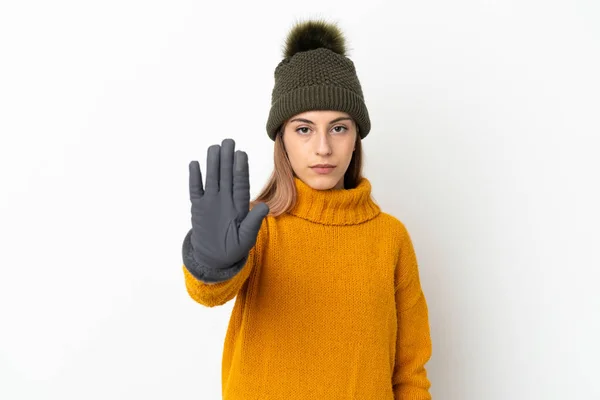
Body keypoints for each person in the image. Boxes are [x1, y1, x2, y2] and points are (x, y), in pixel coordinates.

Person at [181, 19, 432, 400]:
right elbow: (208, 295)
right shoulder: (257, 226)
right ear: (281, 137)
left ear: (356, 137)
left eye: (338, 128)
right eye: (303, 129)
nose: (322, 148)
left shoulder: (390, 238)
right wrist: (210, 264)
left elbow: (410, 372)